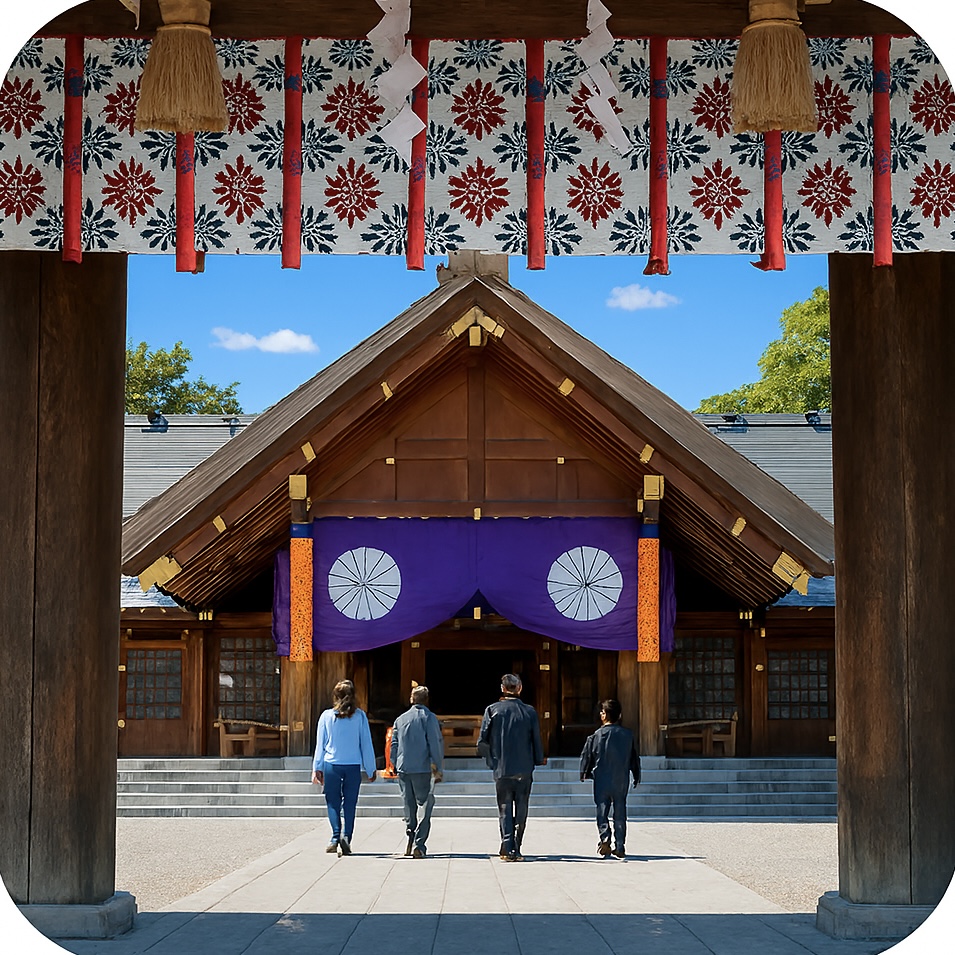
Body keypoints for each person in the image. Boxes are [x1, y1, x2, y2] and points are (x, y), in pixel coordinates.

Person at [478, 673, 545, 862]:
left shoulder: (492, 710)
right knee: (522, 806)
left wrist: (492, 761)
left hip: (502, 767)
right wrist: (538, 759)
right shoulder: (530, 711)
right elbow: (536, 740)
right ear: (520, 688)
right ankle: (516, 844)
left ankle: (508, 846)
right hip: (524, 767)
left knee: (505, 807)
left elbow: (482, 741)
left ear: (502, 688)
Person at [311, 679, 377, 856]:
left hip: (331, 764)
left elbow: (321, 744)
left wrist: (317, 767)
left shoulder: (326, 716)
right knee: (350, 803)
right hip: (353, 765)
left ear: (335, 696)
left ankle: (334, 837)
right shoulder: (360, 716)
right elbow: (366, 744)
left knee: (333, 801)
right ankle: (346, 836)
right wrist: (371, 768)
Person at [579, 698, 641, 859]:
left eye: (602, 711)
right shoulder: (627, 735)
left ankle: (605, 838)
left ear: (604, 715)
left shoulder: (596, 736)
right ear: (619, 715)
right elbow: (634, 757)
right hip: (621, 778)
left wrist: (584, 772)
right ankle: (620, 845)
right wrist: (636, 774)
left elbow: (587, 755)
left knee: (602, 810)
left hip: (602, 778)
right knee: (620, 811)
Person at [389, 684, 445, 859]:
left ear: (411, 699)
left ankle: (410, 833)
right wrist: (438, 765)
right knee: (425, 803)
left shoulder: (400, 719)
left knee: (408, 803)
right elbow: (434, 742)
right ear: (426, 700)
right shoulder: (429, 718)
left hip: (404, 766)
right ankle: (419, 844)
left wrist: (394, 762)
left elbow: (394, 744)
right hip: (422, 767)